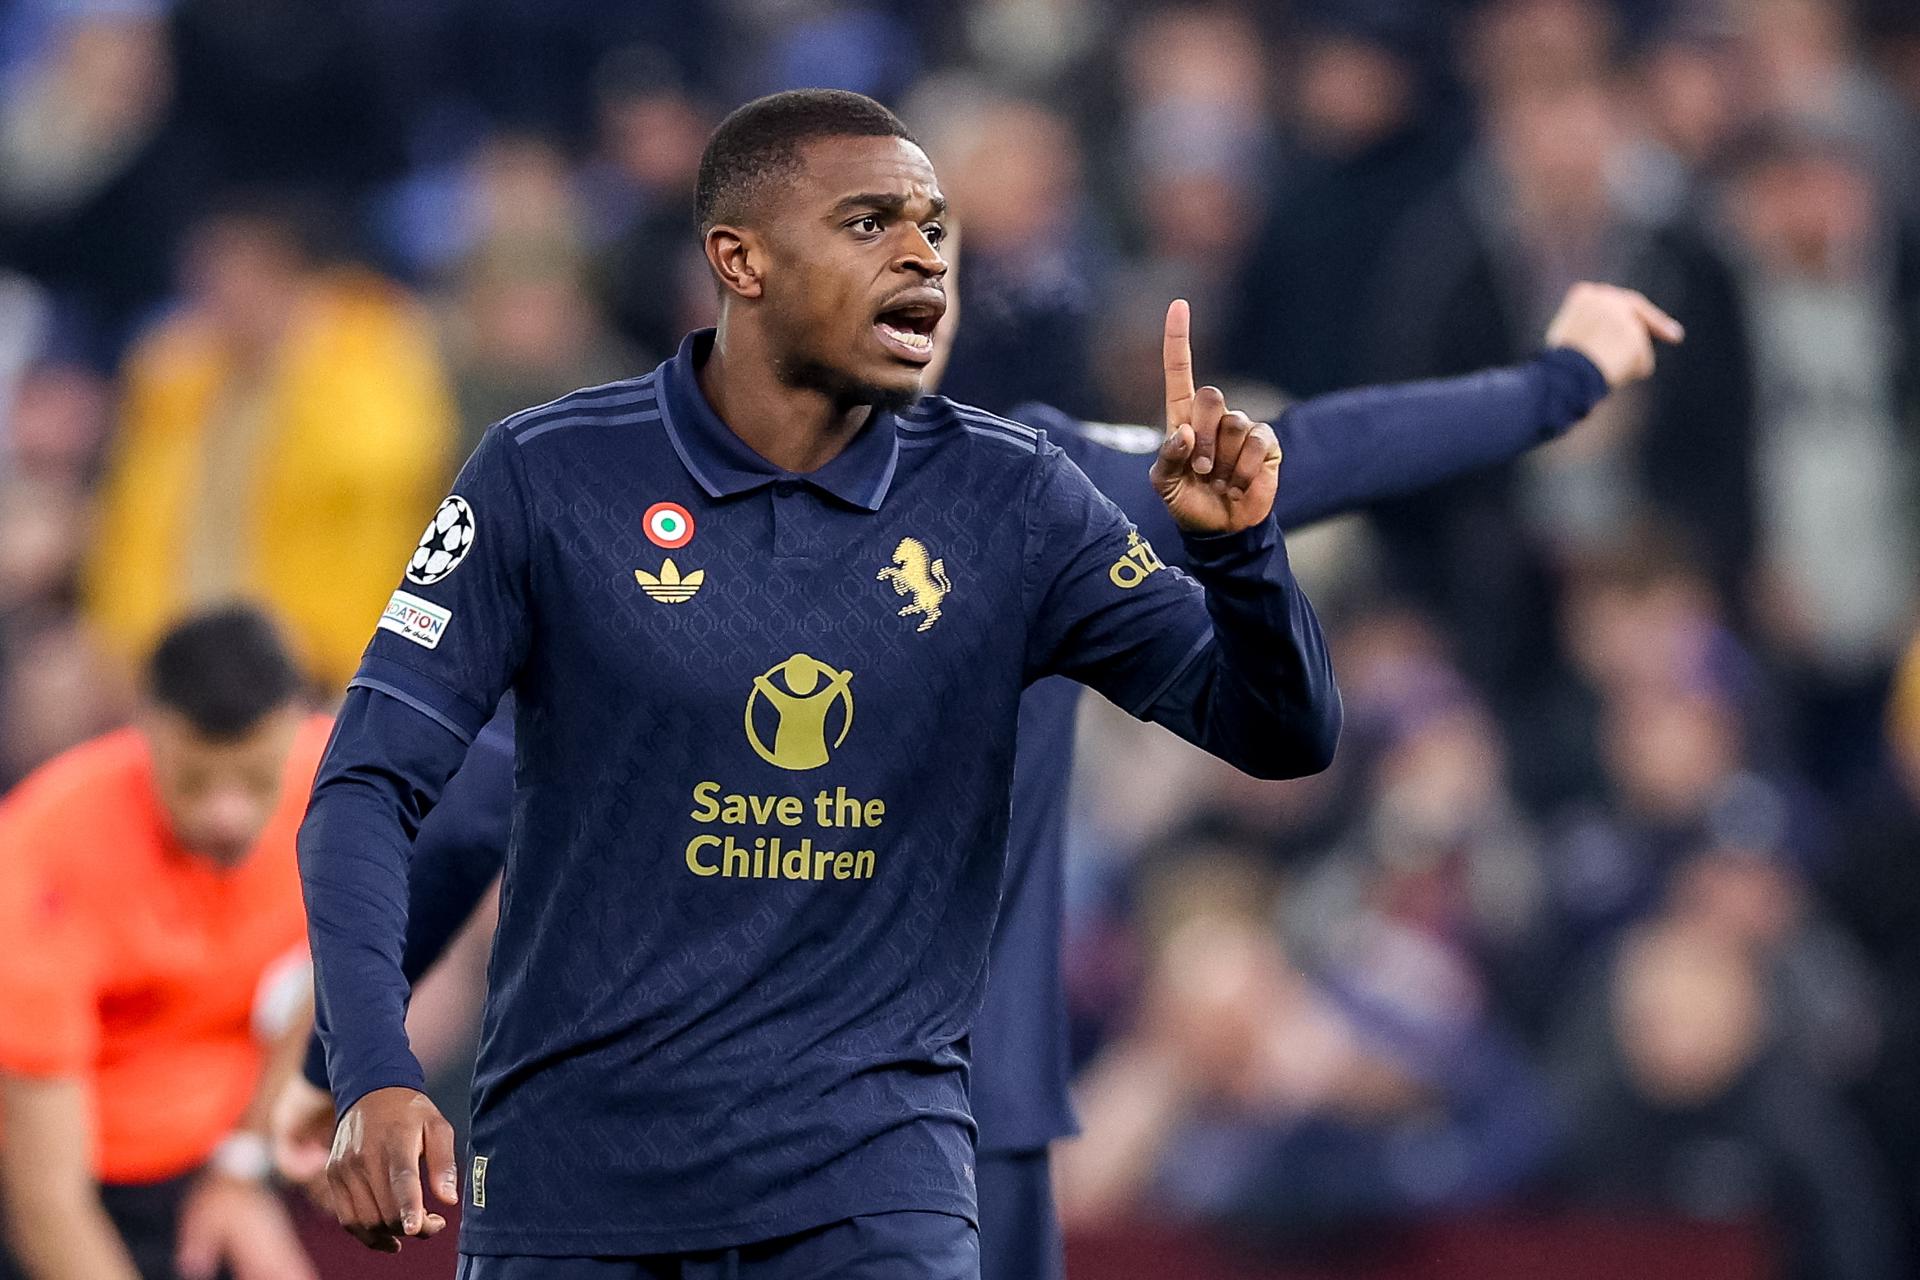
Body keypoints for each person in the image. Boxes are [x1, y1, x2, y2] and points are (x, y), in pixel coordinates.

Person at [277, 267, 1684, 1278]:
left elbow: (1307, 457)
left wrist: (339, 1059)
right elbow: (459, 802)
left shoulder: (1029, 494)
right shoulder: (1029, 494)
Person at [296, 88, 1342, 1278]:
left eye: (935, 228)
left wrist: (1241, 556)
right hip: (575, 1189)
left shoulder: (1012, 496)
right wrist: (371, 1069)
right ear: (738, 258)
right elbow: (368, 786)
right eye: (868, 223)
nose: (921, 258)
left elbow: (1278, 733)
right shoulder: (546, 474)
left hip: (873, 1194)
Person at [0, 606, 324, 1280]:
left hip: (210, 1159)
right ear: (145, 729)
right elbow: (47, 1204)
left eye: (256, 780)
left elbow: (332, 972)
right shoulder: (44, 864)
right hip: (69, 1173)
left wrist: (243, 1166)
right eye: (196, 781)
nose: (226, 814)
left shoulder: (338, 794)